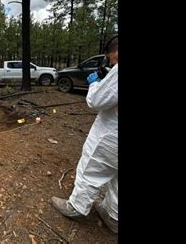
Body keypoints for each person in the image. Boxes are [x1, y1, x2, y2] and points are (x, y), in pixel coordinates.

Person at [51, 36, 118, 233]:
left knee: (90, 167)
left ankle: (77, 207)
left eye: (111, 59)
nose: (111, 63)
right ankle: (114, 217)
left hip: (111, 136)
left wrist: (96, 83)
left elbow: (97, 101)